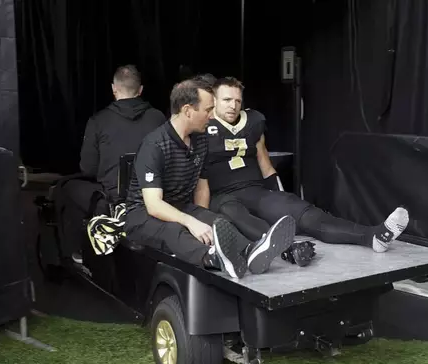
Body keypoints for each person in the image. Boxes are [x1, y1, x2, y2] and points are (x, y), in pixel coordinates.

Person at [203, 77, 410, 265]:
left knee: (306, 214)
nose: (233, 105)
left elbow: (265, 164)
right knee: (235, 213)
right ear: (214, 100)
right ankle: (289, 249)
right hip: (223, 196)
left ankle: (373, 236)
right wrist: (201, 217)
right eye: (227, 100)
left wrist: (281, 194)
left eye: (237, 101)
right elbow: (195, 175)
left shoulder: (253, 122)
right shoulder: (202, 125)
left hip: (255, 191)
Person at [123, 77, 296, 279]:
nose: (212, 115)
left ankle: (250, 252)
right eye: (207, 110)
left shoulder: (201, 140)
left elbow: (201, 188)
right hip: (143, 215)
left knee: (218, 221)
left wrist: (204, 221)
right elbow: (153, 205)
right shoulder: (154, 145)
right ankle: (215, 259)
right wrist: (191, 223)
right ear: (188, 111)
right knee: (174, 231)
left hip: (180, 205)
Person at [57, 65, 166, 264]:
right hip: (155, 194)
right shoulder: (159, 118)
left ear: (114, 89)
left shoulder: (98, 121)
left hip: (115, 198)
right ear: (140, 90)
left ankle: (77, 252)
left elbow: (88, 168)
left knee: (66, 188)